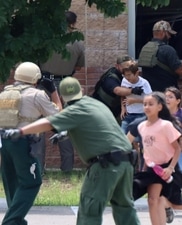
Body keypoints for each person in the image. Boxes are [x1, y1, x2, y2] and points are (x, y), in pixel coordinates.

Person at [2, 77, 141, 225]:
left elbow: (48, 122)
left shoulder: (74, 110)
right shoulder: (95, 104)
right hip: (126, 162)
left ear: (63, 96)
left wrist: (20, 131)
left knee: (90, 209)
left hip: (105, 165)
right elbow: (95, 125)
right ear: (80, 91)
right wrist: (66, 133)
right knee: (125, 209)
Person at [0, 62, 61, 225]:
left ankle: (17, 222)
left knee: (12, 182)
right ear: (35, 78)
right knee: (31, 182)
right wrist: (54, 92)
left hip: (4, 142)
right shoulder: (36, 94)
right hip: (22, 142)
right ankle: (11, 222)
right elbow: (58, 117)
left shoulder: (5, 93)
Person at [131, 92, 182, 225]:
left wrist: (171, 167)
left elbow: (177, 148)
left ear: (159, 107)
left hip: (168, 168)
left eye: (151, 104)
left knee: (174, 202)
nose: (147, 107)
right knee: (153, 200)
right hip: (153, 170)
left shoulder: (165, 125)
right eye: (145, 104)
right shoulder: (141, 126)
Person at [39, 10, 85, 172]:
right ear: (73, 23)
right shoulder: (78, 42)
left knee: (38, 124)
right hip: (67, 83)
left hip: (44, 82)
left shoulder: (46, 39)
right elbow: (79, 66)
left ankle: (38, 167)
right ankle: (67, 168)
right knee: (66, 123)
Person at [140, 20, 182, 92]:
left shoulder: (145, 48)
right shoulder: (168, 50)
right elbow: (180, 70)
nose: (170, 37)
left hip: (149, 93)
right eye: (168, 34)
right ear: (162, 33)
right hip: (167, 93)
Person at [92, 55, 143, 122]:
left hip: (114, 111)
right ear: (117, 66)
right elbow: (117, 90)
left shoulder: (126, 75)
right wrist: (133, 90)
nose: (127, 69)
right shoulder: (111, 77)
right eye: (125, 67)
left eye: (130, 67)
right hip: (101, 112)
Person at [120, 62, 152, 134]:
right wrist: (123, 108)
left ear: (137, 73)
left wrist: (136, 100)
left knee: (137, 138)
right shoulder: (124, 81)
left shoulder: (144, 83)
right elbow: (122, 95)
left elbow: (151, 100)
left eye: (129, 75)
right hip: (129, 113)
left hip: (141, 114)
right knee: (122, 134)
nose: (127, 78)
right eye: (125, 75)